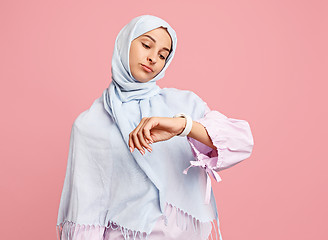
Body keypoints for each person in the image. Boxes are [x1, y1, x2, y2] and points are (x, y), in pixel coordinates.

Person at [56, 15, 254, 240]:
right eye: (146, 45)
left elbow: (241, 143)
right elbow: (86, 213)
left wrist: (184, 126)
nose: (152, 58)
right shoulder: (89, 125)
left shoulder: (184, 104)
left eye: (162, 55)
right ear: (125, 43)